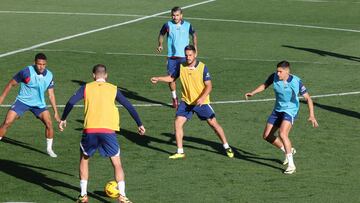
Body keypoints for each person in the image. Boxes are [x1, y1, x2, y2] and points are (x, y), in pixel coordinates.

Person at [58, 64, 146, 203]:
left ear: (93, 75)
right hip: (108, 130)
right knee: (117, 163)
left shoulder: (86, 87)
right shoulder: (113, 89)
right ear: (106, 75)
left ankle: (83, 195)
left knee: (84, 160)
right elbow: (128, 105)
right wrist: (139, 123)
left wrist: (63, 119)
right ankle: (122, 196)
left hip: (90, 130)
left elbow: (71, 102)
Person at [151, 45, 233, 159]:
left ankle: (226, 146)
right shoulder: (181, 66)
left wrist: (203, 97)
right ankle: (180, 151)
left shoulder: (203, 67)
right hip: (186, 102)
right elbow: (172, 78)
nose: (188, 57)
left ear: (195, 55)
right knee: (177, 123)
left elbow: (209, 86)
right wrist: (158, 78)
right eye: (186, 55)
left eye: (190, 55)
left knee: (213, 124)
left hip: (201, 102)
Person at [245, 60, 319, 174]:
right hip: (278, 109)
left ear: (287, 71)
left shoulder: (296, 82)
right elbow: (265, 85)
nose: (277, 73)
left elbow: (308, 98)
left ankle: (291, 165)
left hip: (290, 110)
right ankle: (288, 150)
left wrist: (312, 115)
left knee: (282, 134)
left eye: (280, 71)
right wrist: (253, 92)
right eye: (277, 71)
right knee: (266, 136)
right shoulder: (274, 77)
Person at [0, 53, 60, 157]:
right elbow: (11, 84)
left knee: (49, 124)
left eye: (43, 64)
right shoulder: (26, 72)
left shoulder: (49, 75)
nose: (41, 67)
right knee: (7, 122)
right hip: (22, 102)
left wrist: (56, 112)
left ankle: (49, 149)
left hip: (39, 105)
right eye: (39, 64)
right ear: (34, 63)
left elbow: (51, 94)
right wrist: (1, 98)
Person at [157, 6, 198, 109]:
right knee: (171, 79)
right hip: (172, 57)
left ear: (181, 15)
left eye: (177, 15)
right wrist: (160, 44)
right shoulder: (167, 25)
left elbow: (194, 35)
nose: (175, 17)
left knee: (189, 77)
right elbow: (161, 34)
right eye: (173, 15)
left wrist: (195, 48)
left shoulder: (188, 25)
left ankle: (191, 98)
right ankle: (174, 98)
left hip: (185, 57)